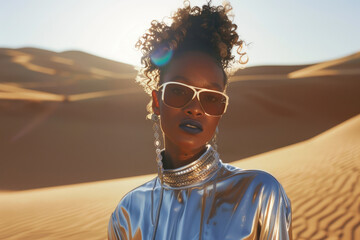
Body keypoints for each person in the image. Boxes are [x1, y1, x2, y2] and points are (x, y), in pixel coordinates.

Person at [108, 1, 293, 239]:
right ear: (157, 100)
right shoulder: (129, 211)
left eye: (211, 99)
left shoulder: (259, 193)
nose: (195, 108)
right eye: (179, 91)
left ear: (222, 109)